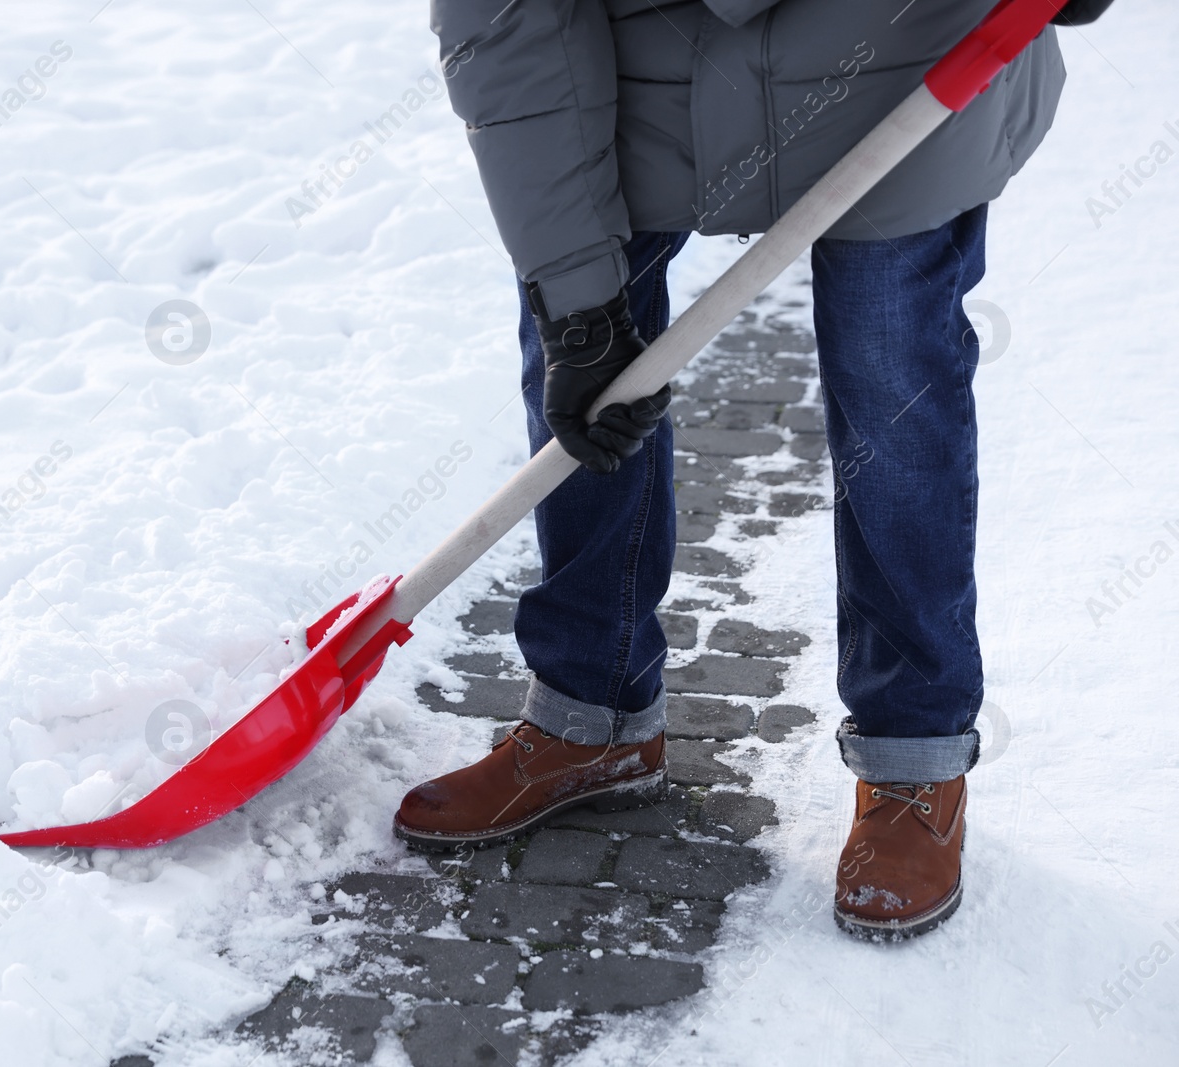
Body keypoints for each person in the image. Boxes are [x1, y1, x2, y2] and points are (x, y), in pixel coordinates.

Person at [394, 0, 1113, 940]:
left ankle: (912, 759)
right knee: (588, 362)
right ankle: (591, 715)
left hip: (902, 48)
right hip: (648, 75)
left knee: (893, 371)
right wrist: (579, 306)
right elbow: (508, 28)